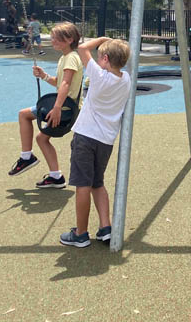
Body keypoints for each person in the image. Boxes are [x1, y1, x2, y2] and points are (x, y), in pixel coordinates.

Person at [59, 36, 131, 248]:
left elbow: (81, 48)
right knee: (97, 183)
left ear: (106, 59)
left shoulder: (99, 76)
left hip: (86, 137)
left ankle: (80, 233)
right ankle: (106, 227)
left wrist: (103, 39)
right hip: (106, 140)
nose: (98, 61)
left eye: (101, 58)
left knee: (83, 185)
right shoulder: (126, 79)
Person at [7, 22, 83, 188]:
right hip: (65, 106)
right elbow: (59, 82)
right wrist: (44, 76)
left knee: (23, 115)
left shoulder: (71, 58)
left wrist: (56, 108)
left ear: (70, 39)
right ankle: (56, 177)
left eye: (57, 38)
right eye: (53, 37)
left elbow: (66, 85)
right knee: (42, 139)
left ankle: (26, 157)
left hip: (64, 109)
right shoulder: (66, 57)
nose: (53, 40)